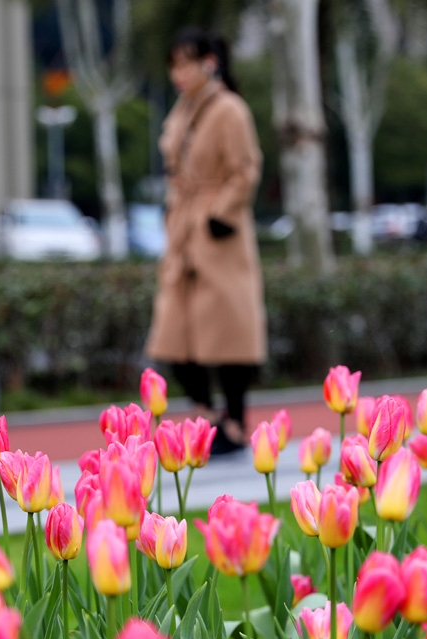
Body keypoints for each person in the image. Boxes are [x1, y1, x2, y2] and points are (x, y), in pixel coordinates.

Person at [145, 29, 266, 455]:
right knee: (175, 332)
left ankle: (234, 422)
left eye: (186, 63)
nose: (178, 73)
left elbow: (246, 169)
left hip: (218, 230)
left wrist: (221, 214)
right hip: (184, 224)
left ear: (209, 62)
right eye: (174, 65)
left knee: (228, 331)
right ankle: (206, 416)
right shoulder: (184, 108)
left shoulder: (229, 109)